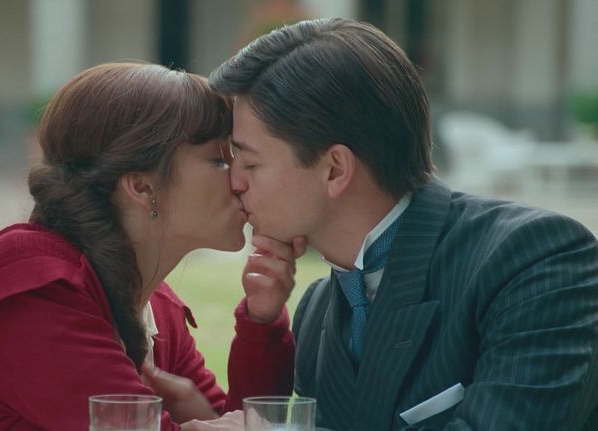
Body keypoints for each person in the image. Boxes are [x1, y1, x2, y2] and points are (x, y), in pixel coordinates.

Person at [209, 18, 598, 430]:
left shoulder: (534, 262)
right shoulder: (317, 311)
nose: (235, 182)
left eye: (251, 162)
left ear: (335, 169)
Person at [0, 63, 301, 431]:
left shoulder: (158, 311)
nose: (240, 179)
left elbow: (248, 420)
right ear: (142, 186)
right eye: (220, 160)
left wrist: (261, 323)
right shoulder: (35, 289)